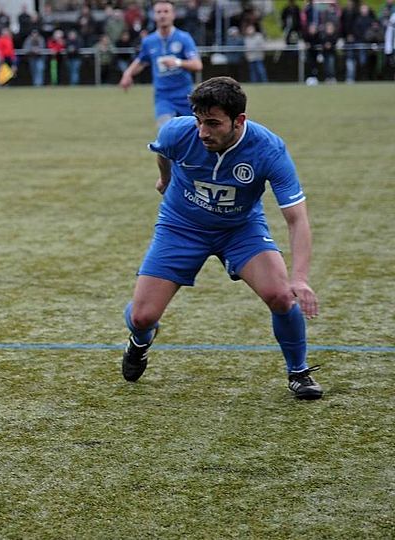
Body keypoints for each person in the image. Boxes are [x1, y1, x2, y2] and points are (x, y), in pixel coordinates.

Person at [119, 76, 322, 400]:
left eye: (213, 123)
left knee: (282, 296)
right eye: (199, 121)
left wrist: (300, 278)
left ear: (239, 121)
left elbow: (297, 219)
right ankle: (140, 341)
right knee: (142, 317)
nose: (202, 132)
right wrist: (165, 179)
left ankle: (298, 371)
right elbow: (164, 151)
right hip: (181, 226)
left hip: (240, 230)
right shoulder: (176, 132)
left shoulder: (268, 149)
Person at [119, 0, 203, 127]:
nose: (162, 15)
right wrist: (127, 74)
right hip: (163, 97)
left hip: (185, 96)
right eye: (158, 12)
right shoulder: (149, 41)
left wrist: (177, 62)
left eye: (166, 11)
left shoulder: (184, 38)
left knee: (192, 132)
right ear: (154, 15)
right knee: (165, 129)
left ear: (173, 14)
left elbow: (197, 65)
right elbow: (141, 61)